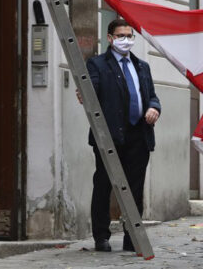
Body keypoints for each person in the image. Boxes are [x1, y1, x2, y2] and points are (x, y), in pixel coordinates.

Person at [78, 18, 161, 252]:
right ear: (110, 38)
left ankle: (131, 236)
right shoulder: (97, 64)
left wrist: (154, 108)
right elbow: (91, 90)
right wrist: (84, 93)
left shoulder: (142, 66)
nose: (126, 40)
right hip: (110, 135)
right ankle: (101, 236)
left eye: (129, 36)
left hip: (138, 135)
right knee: (104, 185)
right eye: (120, 36)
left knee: (135, 188)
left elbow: (151, 96)